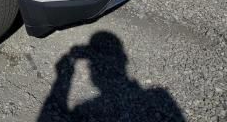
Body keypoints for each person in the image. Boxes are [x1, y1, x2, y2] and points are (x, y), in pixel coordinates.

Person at [38, 31, 185, 121]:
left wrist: (63, 77)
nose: (91, 69)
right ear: (124, 59)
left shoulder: (86, 105)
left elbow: (44, 117)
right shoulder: (160, 95)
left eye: (91, 66)